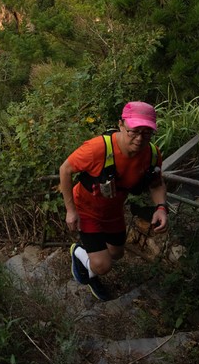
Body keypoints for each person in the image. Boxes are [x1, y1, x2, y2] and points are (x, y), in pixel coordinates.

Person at [59, 101, 168, 300]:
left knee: (117, 253)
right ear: (121, 125)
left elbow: (156, 183)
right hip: (86, 208)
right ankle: (81, 255)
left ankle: (87, 258)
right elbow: (65, 169)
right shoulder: (97, 149)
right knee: (103, 265)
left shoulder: (152, 154)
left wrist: (160, 207)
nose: (139, 138)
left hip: (113, 211)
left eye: (146, 133)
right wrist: (70, 210)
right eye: (134, 131)